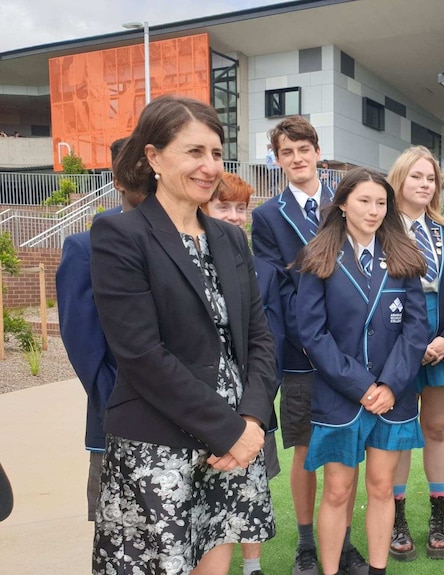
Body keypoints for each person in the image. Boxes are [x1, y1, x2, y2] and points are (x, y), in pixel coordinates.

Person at [90, 95, 277, 575]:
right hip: (161, 441)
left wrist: (253, 418)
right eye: (194, 152)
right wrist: (229, 431)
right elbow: (140, 355)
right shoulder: (119, 236)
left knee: (216, 562)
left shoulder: (231, 237)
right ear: (152, 157)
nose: (209, 166)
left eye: (216, 153)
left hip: (236, 441)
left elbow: (257, 338)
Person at [293, 167, 428, 575]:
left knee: (383, 487)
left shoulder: (403, 257)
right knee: (336, 491)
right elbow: (312, 334)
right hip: (339, 396)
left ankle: (377, 569)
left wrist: (389, 384)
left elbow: (417, 328)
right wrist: (362, 385)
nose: (373, 210)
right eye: (364, 201)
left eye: (381, 203)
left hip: (394, 394)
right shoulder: (319, 256)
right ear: (343, 204)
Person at [251, 115, 368, 575]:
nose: (297, 159)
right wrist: (306, 344)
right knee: (305, 449)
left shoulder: (349, 204)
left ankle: (342, 539)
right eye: (286, 152)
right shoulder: (266, 217)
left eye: (303, 149)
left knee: (346, 451)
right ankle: (305, 544)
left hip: (353, 353)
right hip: (302, 356)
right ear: (277, 160)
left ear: (317, 152)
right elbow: (275, 291)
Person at [56, 137, 146, 531]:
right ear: (117, 177)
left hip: (183, 417)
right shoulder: (84, 247)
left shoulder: (185, 239)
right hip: (116, 413)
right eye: (132, 167)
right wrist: (113, 396)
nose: (143, 174)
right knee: (118, 535)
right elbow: (81, 340)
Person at [201, 172, 284, 575]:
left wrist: (256, 406)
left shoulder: (262, 269)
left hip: (253, 399)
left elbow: (271, 338)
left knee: (253, 488)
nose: (234, 216)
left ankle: (252, 565)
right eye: (223, 206)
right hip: (202, 404)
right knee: (206, 498)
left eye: (240, 208)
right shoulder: (188, 260)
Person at [386, 146, 444, 561]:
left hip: (443, 340)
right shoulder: (381, 228)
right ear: (400, 179)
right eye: (416, 176)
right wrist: (407, 346)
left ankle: (439, 516)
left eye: (430, 178)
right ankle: (396, 519)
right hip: (396, 344)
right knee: (398, 436)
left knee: (436, 428)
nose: (424, 184)